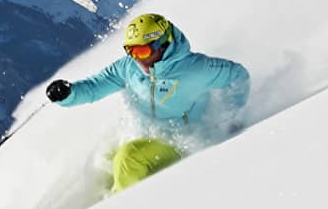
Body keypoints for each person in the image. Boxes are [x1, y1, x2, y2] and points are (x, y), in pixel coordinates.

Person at [45, 13, 250, 192]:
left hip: (182, 141)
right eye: (131, 51)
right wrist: (69, 94)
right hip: (145, 134)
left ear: (164, 44)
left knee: (128, 158)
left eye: (142, 52)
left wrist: (230, 118)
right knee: (106, 160)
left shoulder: (194, 68)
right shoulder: (128, 68)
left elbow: (237, 76)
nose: (138, 59)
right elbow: (95, 86)